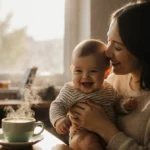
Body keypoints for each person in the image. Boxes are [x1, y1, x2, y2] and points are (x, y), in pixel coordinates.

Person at [52, 1, 150, 150]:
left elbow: (114, 106)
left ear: (141, 49)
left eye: (117, 47)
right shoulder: (113, 80)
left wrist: (103, 127)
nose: (107, 53)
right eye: (108, 41)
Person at [50, 39, 137, 150]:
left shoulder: (109, 89)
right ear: (72, 70)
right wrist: (59, 120)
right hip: (81, 136)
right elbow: (57, 105)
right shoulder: (71, 90)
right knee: (87, 141)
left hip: (106, 139)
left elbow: (117, 105)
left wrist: (124, 105)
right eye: (78, 71)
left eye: (93, 71)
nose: (85, 76)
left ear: (106, 73)